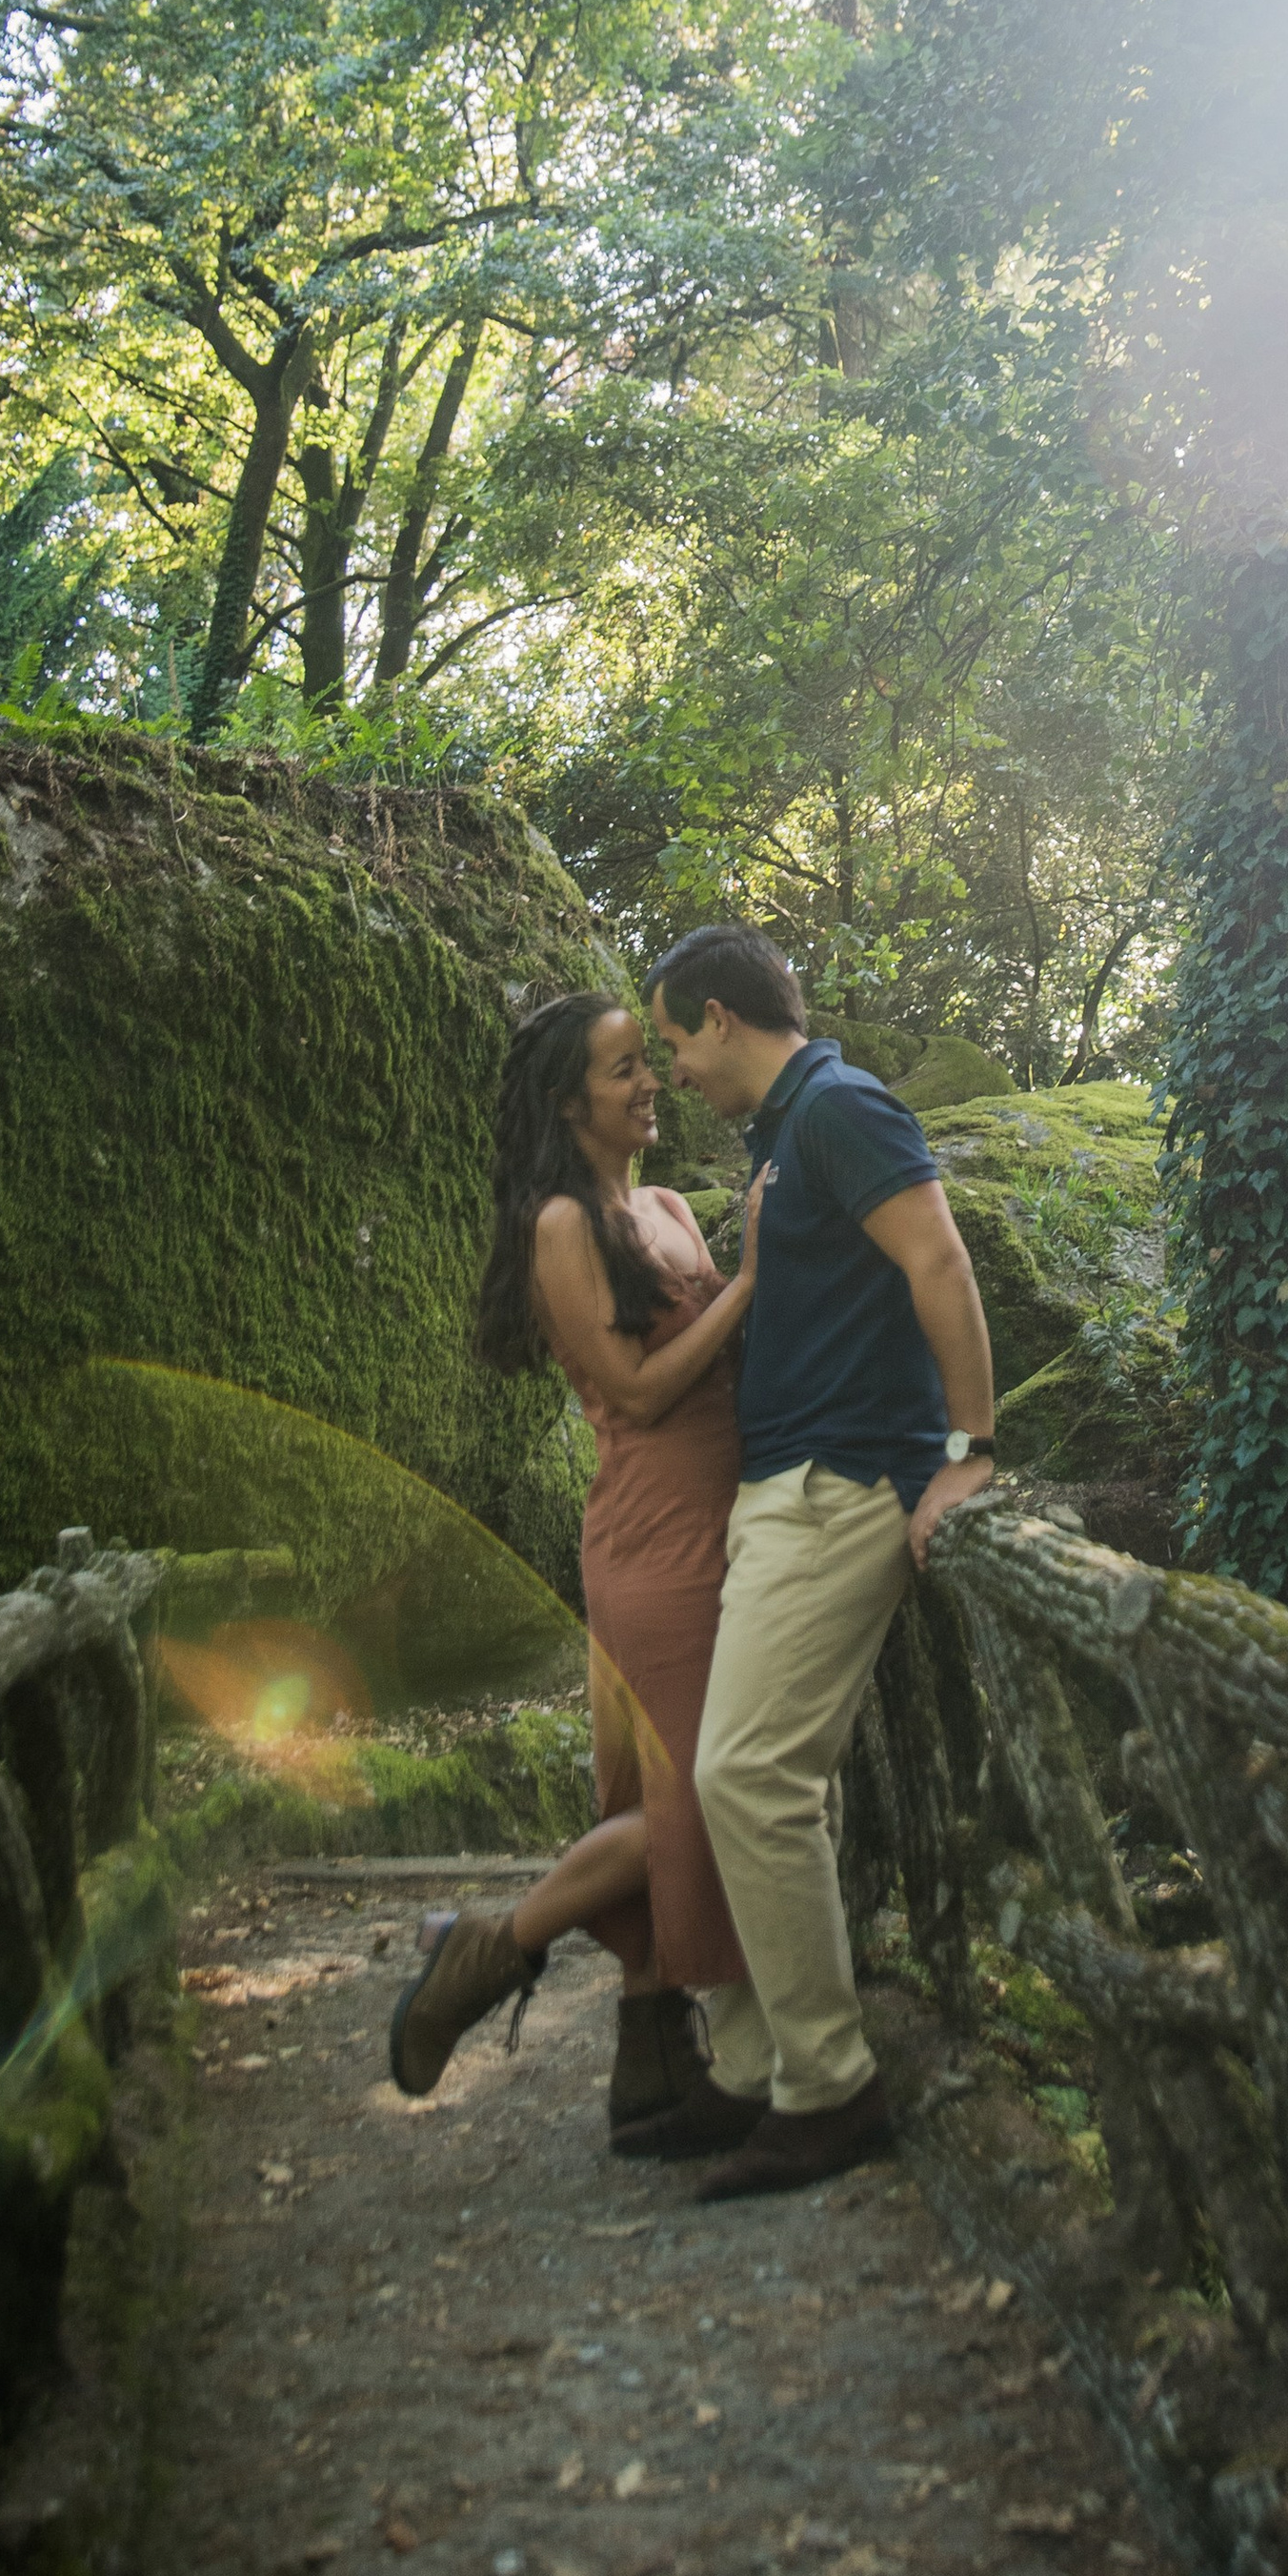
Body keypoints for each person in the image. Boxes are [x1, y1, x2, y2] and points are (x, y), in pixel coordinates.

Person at [616, 926, 997, 2202]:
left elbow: (938, 1258)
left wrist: (968, 1449)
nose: (675, 1071)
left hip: (845, 1484)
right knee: (764, 1772)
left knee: (747, 1769)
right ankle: (769, 2069)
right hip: (787, 1484)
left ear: (721, 1016)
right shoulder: (786, 1127)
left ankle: (829, 2088)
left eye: (674, 1042)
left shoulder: (836, 1107)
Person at [387, 992, 758, 2131]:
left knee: (662, 1792)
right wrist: (753, 1279)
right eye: (622, 1069)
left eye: (650, 1062)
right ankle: (492, 1946)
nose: (651, 1081)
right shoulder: (560, 1223)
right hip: (653, 1540)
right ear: (567, 1101)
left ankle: (649, 2075)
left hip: (720, 1521)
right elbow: (642, 1391)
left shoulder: (668, 1205)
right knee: (702, 1798)